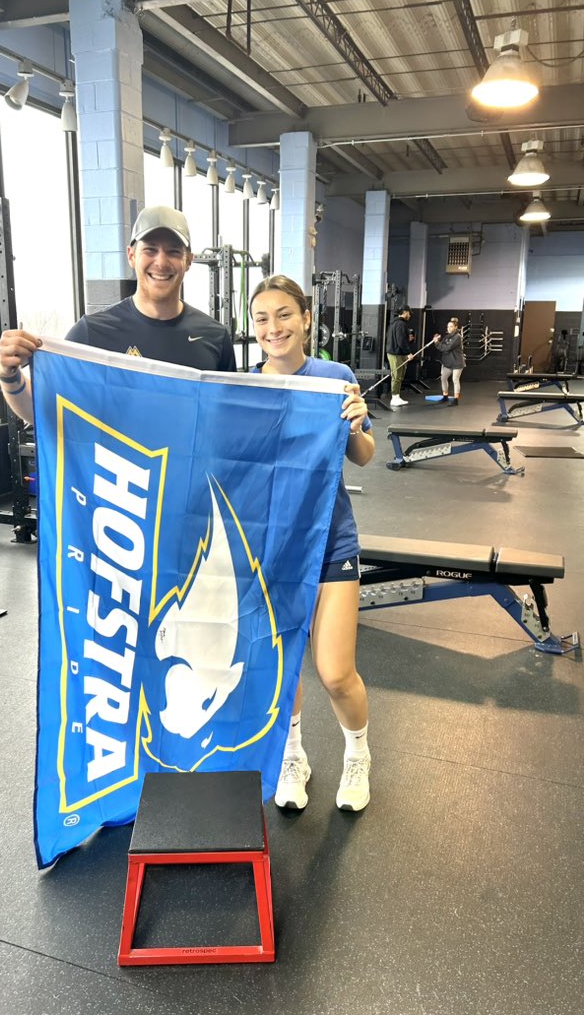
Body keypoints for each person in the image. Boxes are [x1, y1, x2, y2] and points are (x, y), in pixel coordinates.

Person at [249, 274, 375, 812]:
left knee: (334, 671)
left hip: (330, 539)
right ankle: (293, 755)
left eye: (283, 315)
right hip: (269, 545)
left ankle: (357, 754)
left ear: (305, 319)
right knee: (282, 669)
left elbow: (365, 455)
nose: (273, 327)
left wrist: (352, 427)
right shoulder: (245, 386)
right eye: (261, 318)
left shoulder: (335, 376)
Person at [0, 205, 236, 419]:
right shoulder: (91, 334)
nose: (161, 262)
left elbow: (231, 420)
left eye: (173, 251)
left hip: (190, 470)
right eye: (150, 250)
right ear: (131, 255)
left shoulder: (214, 337)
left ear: (189, 261)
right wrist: (9, 375)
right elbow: (46, 411)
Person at [432, 316, 466, 404]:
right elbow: (441, 346)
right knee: (443, 378)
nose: (449, 328)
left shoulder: (457, 337)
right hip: (448, 363)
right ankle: (445, 396)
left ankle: (456, 399)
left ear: (455, 327)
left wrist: (437, 343)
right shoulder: (447, 337)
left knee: (455, 379)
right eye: (448, 326)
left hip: (457, 362)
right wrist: (437, 339)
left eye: (451, 326)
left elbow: (447, 348)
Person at [386, 306, 414, 407]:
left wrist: (407, 339)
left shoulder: (396, 323)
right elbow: (400, 340)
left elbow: (400, 339)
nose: (409, 315)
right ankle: (394, 398)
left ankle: (397, 396)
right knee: (397, 376)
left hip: (397, 353)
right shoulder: (401, 324)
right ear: (405, 312)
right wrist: (408, 353)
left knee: (399, 376)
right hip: (396, 354)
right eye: (409, 313)